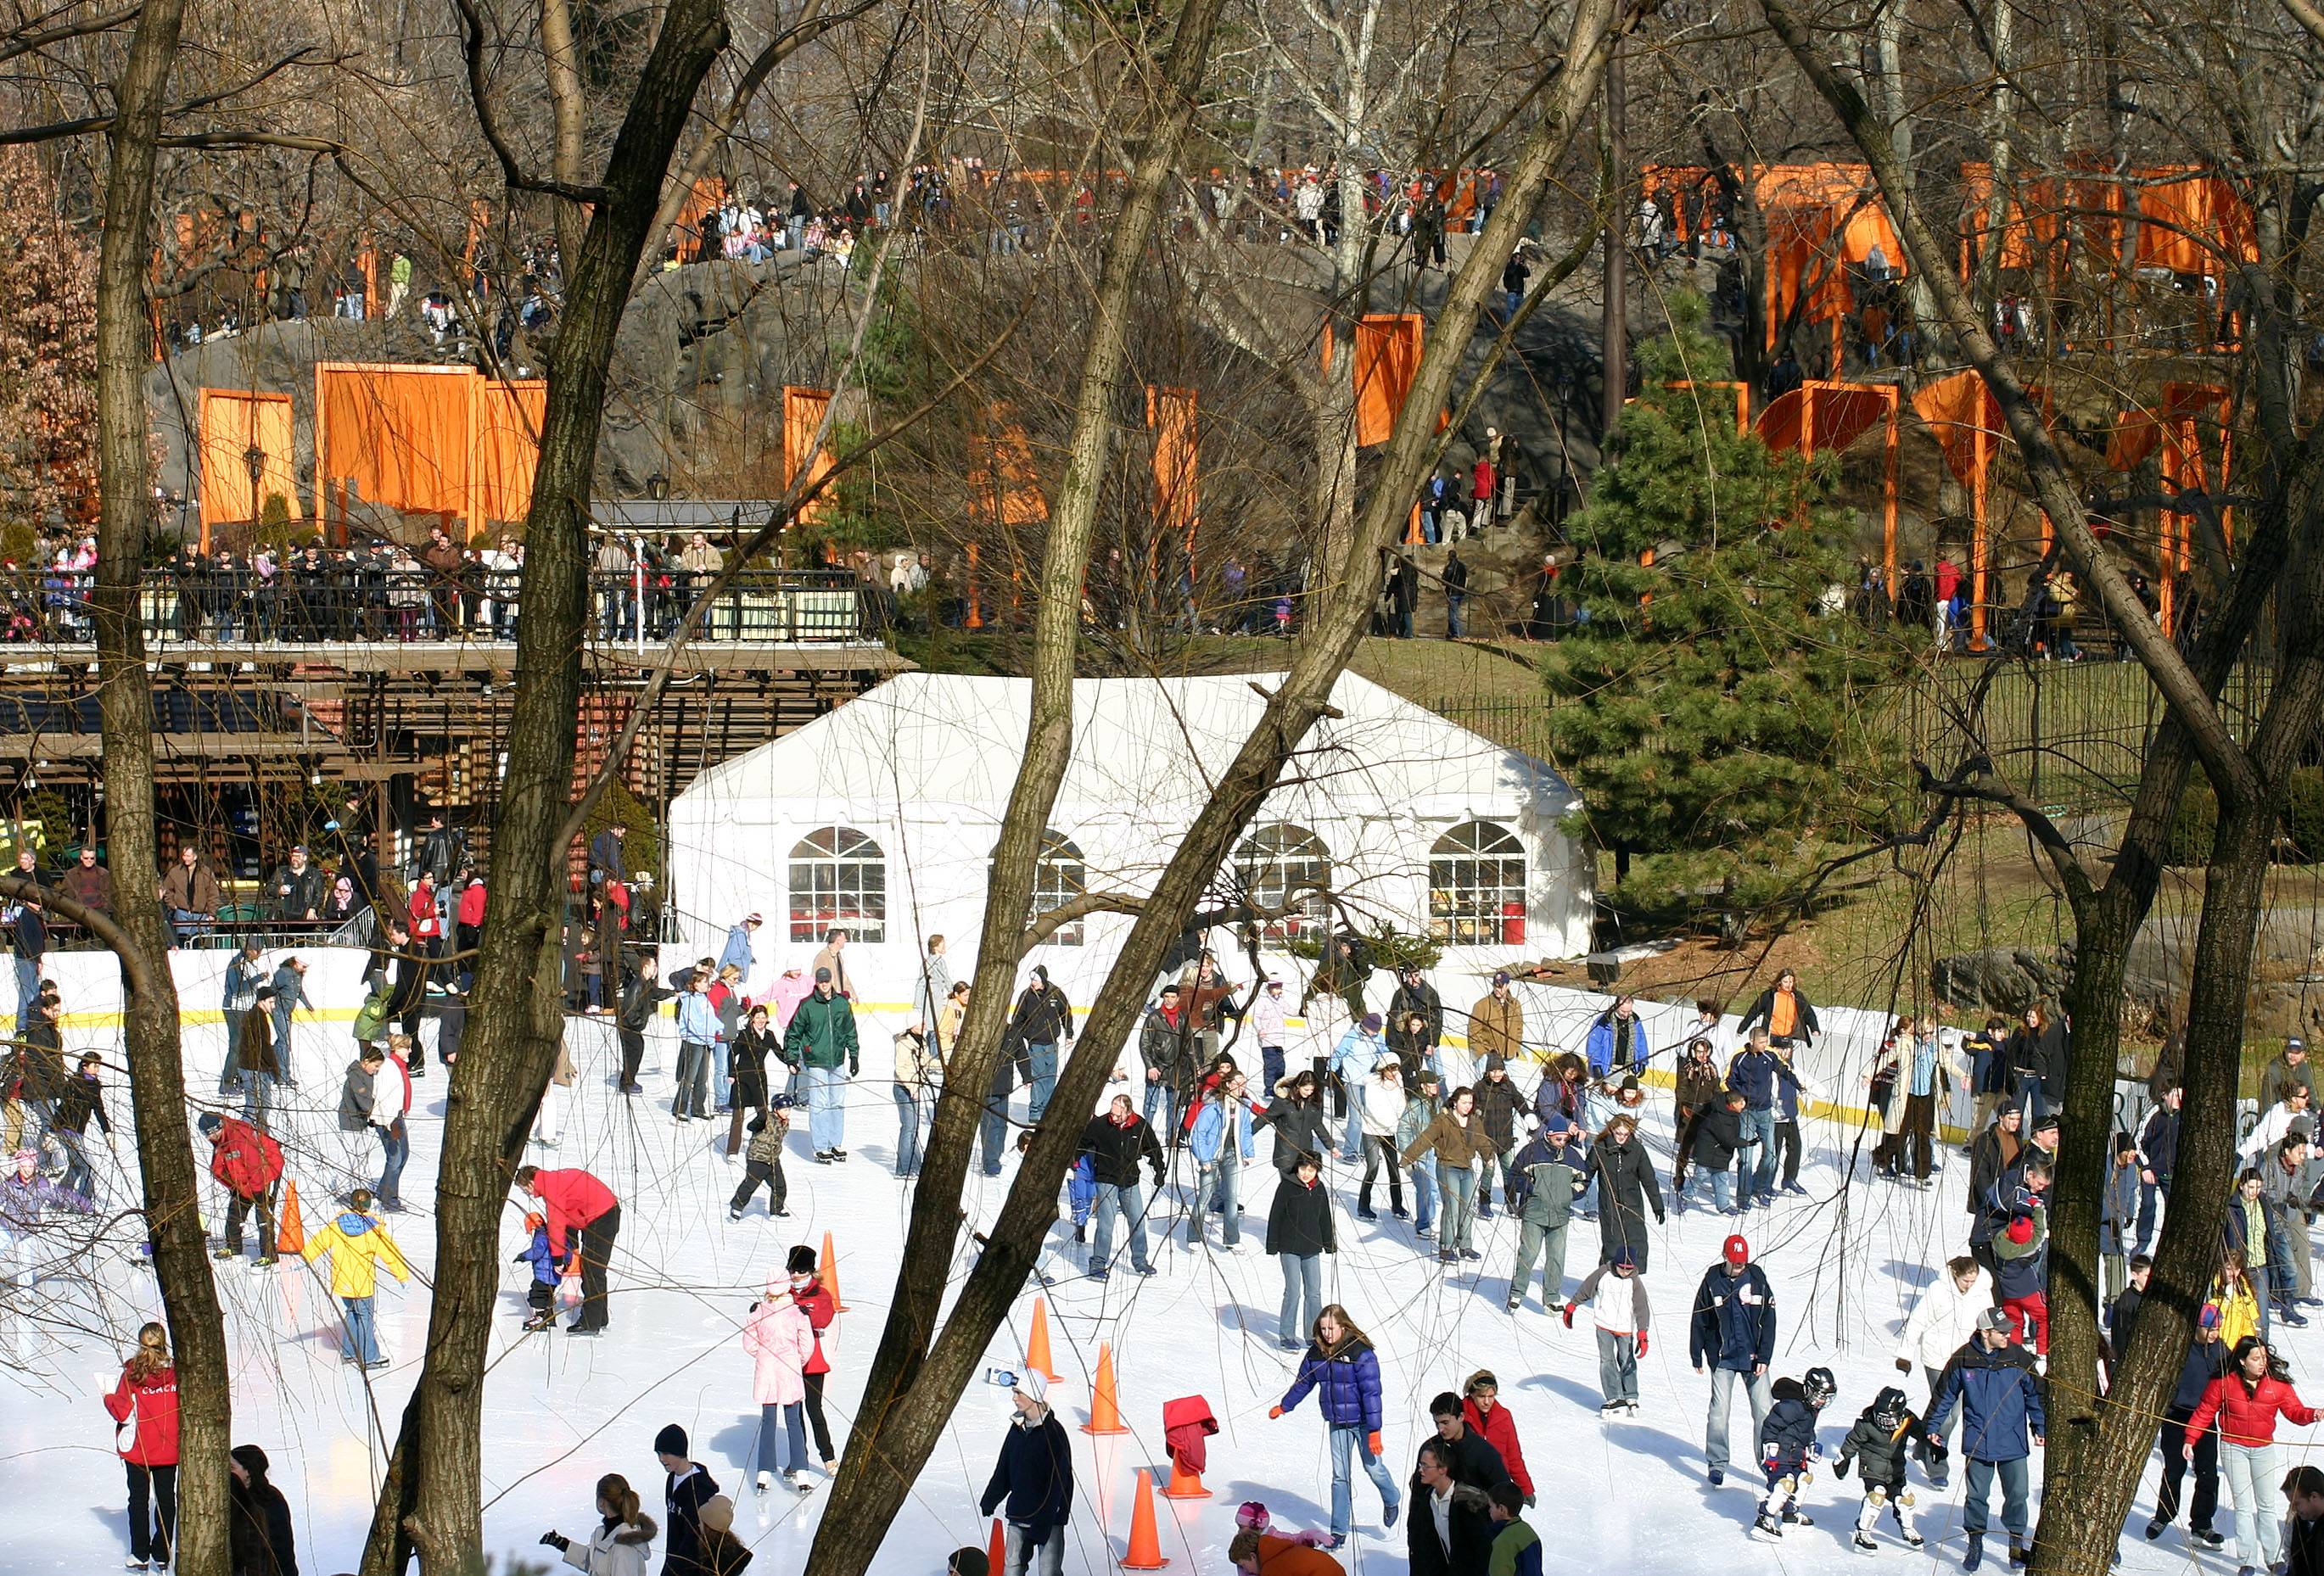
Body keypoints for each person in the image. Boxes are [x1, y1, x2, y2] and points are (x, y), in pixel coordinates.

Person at [1925, 1307, 2046, 1572]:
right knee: (1977, 1496)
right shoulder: (1964, 1358)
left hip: (2012, 1442)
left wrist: (2040, 1426)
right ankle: (1975, 1542)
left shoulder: (2018, 1357)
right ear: (1985, 1332)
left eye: (2009, 1330)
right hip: (1977, 1441)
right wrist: (1932, 1427)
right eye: (2002, 1331)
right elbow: (1944, 1395)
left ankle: (2016, 1543)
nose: (2008, 1335)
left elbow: (2035, 1395)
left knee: (2018, 1494)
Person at [2187, 1335, 2318, 1575]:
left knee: (2267, 1505)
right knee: (2244, 1505)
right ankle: (2247, 1560)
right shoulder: (2224, 1382)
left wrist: (2312, 1414)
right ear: (2242, 1361)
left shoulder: (2276, 1384)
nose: (2261, 1363)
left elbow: (2294, 1411)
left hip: (2263, 1448)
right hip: (2233, 1446)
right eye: (2256, 1358)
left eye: (2264, 1358)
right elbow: (2205, 1410)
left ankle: (2273, 1559)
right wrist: (2190, 1438)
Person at [1271, 1303, 1399, 1546]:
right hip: (1338, 1423)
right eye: (1323, 1328)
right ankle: (1338, 1532)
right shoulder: (1317, 1352)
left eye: (1331, 1328)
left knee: (1373, 1469)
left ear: (1343, 1326)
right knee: (1340, 1477)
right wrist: (1285, 1406)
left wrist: (1374, 1432)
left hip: (1363, 1423)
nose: (1327, 1333)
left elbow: (1372, 1394)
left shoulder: (1360, 1353)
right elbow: (1304, 1383)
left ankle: (1391, 1497)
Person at [1896, 1255, 1991, 1488]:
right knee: (1944, 1413)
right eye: (1966, 1280)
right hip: (1937, 1359)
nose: (1969, 1284)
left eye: (1973, 1280)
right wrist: (1905, 1354)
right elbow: (1917, 1320)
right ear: (1955, 1275)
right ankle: (1937, 1464)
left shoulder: (1982, 1291)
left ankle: (1922, 1444)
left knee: (1954, 1415)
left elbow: (1988, 1325)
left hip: (1966, 1360)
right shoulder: (1938, 1290)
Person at [1692, 1232, 1776, 1487]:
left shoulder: (1757, 1279)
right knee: (1719, 1412)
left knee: (1765, 1412)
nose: (1740, 1265)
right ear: (1725, 1257)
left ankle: (1769, 1464)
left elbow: (1769, 1319)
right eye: (1735, 1261)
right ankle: (1717, 1463)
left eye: (1743, 1261)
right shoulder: (1712, 1281)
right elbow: (1700, 1318)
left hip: (1754, 1359)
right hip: (1723, 1358)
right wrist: (1697, 1353)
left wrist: (1765, 1355)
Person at [301, 1187, 412, 1367]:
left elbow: (317, 1243)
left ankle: (349, 1352)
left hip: (343, 1281)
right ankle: (369, 1356)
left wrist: (304, 1258)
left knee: (352, 1313)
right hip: (362, 1284)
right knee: (365, 1318)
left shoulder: (336, 1225)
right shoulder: (373, 1229)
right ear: (369, 1205)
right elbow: (391, 1254)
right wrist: (402, 1276)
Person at [2149, 1302, 2230, 1547]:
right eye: (2209, 1328)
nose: (2214, 1333)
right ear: (2197, 1327)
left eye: (2217, 1328)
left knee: (2207, 1472)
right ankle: (2164, 1515)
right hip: (2177, 1416)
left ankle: (2202, 1523)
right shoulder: (2181, 1348)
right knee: (2174, 1469)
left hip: (2205, 1418)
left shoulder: (2221, 1351)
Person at [979, 1373, 1072, 1576]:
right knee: (1012, 1569)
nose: (1014, 1398)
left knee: (1049, 1571)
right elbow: (1004, 1469)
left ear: (1034, 1396)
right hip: (1019, 1513)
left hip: (1048, 1519)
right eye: (1014, 1392)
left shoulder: (1054, 1434)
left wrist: (1044, 1521)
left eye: (1018, 1392)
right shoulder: (1017, 1429)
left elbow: (1058, 1485)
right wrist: (990, 1499)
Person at [106, 1322, 180, 1573]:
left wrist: (107, 1397)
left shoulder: (133, 1374)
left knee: (137, 1499)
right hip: (169, 1447)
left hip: (139, 1449)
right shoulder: (177, 1371)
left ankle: (140, 1553)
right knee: (166, 1499)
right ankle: (162, 1551)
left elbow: (123, 1412)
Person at [1401, 1084, 1498, 1265]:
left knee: (1467, 1207)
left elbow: (1482, 1142)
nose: (1468, 1106)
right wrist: (1408, 1158)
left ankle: (1465, 1245)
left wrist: (1489, 1157)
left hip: (1466, 1168)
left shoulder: (1474, 1122)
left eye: (1470, 1102)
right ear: (1455, 1103)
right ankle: (1446, 1248)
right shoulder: (1443, 1120)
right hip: (1447, 1167)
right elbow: (1425, 1139)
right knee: (1452, 1207)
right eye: (1464, 1102)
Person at [741, 1264, 818, 1491]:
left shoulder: (758, 1311)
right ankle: (802, 1473)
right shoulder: (796, 1313)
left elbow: (749, 1343)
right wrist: (797, 1359)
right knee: (794, 1421)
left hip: (767, 1372)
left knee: (768, 1421)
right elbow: (807, 1344)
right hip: (790, 1371)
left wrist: (763, 1355)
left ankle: (763, 1474)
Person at [518, 1165, 621, 1333]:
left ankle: (590, 1322)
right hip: (594, 1214)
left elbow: (557, 1223)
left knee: (592, 1270)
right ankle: (600, 1317)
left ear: (530, 1183)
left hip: (602, 1217)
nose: (527, 1194)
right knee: (592, 1270)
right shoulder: (553, 1179)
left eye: (524, 1190)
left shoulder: (551, 1188)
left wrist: (558, 1258)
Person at [1078, 1093, 1164, 1281]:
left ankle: (1140, 1260)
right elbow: (1081, 1143)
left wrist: (1159, 1170)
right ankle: (1098, 1264)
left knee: (1138, 1221)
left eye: (1118, 1115)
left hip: (1130, 1181)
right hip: (1106, 1179)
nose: (1114, 1118)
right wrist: (1075, 1161)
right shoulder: (1100, 1125)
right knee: (1106, 1224)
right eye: (1112, 1113)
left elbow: (1153, 1148)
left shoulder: (1140, 1125)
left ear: (1128, 1111)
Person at [1507, 1113, 1586, 1311]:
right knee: (1529, 1253)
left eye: (1565, 1139)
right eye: (1558, 1138)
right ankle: (1517, 1294)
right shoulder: (1531, 1152)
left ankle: (1551, 1298)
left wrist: (1569, 1194)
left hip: (1560, 1214)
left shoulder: (1572, 1156)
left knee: (1557, 1257)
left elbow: (1584, 1180)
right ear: (1549, 1135)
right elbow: (1514, 1175)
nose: (1562, 1142)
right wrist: (1532, 1189)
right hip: (1534, 1212)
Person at [1834, 1386, 1924, 1551]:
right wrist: (1843, 1458)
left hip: (1895, 1470)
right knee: (1877, 1496)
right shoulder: (1867, 1423)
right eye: (1881, 1418)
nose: (1884, 1423)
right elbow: (1852, 1441)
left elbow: (1921, 1432)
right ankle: (1862, 1533)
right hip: (1872, 1468)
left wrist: (1933, 1445)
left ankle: (1908, 1528)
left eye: (1889, 1420)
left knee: (1905, 1498)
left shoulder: (1907, 1420)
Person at [1750, 1366, 1836, 1540]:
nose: (1822, 1401)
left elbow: (1806, 1431)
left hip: (1796, 1457)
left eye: (1826, 1398)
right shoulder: (1792, 1406)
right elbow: (1770, 1425)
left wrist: (1812, 1445)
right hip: (1779, 1457)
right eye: (1819, 1396)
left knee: (1804, 1479)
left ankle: (1790, 1514)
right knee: (1785, 1485)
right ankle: (1764, 1519)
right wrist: (1769, 1445)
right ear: (1808, 1390)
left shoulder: (1810, 1409)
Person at [784, 967, 859, 1162]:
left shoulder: (841, 1004)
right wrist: (791, 1057)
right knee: (819, 1103)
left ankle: (835, 1142)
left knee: (837, 1103)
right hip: (816, 1060)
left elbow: (849, 1029)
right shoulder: (807, 1005)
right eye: (821, 981)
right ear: (816, 982)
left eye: (827, 981)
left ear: (831, 981)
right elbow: (794, 1032)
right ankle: (820, 1145)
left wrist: (854, 1055)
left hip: (837, 1060)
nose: (824, 984)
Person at [780, 1243, 843, 1470]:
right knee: (794, 1416)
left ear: (811, 1272)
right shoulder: (783, 1294)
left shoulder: (820, 1294)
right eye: (793, 1271)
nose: (796, 1276)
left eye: (801, 1271)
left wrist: (802, 1317)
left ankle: (828, 1457)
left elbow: (823, 1319)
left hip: (812, 1363)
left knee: (814, 1411)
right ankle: (798, 1459)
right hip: (788, 1362)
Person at [1564, 1246, 1649, 1414]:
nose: (1625, 1272)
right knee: (1606, 1360)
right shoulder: (1603, 1273)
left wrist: (1642, 1333)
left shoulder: (1635, 1282)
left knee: (1626, 1360)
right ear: (1616, 1263)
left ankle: (1630, 1395)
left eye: (1629, 1269)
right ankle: (1614, 1396)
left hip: (1625, 1328)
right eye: (1622, 1268)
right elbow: (1586, 1289)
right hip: (1604, 1324)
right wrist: (1572, 1306)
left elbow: (1642, 1308)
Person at [198, 1109, 283, 1267]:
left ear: (218, 1128)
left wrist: (256, 1192)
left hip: (265, 1172)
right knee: (234, 1213)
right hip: (244, 1180)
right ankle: (233, 1247)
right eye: (206, 1136)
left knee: (263, 1216)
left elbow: (255, 1165)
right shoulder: (221, 1142)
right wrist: (235, 1188)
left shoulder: (240, 1136)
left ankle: (269, 1255)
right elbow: (218, 1169)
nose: (209, 1139)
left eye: (210, 1134)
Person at [1268, 1152, 1336, 1349]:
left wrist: (1328, 1242)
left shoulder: (1319, 1189)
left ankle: (1313, 1335)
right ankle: (1286, 1335)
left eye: (1311, 1170)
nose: (1306, 1173)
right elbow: (1276, 1216)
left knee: (1314, 1292)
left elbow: (1325, 1217)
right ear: (1297, 1167)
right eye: (1303, 1168)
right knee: (1293, 1291)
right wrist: (1272, 1244)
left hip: (1311, 1248)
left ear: (1317, 1171)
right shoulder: (1287, 1187)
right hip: (1289, 1248)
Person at [1188, 1068, 1257, 1249]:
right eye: (1237, 1083)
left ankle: (1232, 1239)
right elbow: (1199, 1133)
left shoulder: (1243, 1107)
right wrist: (1203, 1158)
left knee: (1231, 1197)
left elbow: (1245, 1131)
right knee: (1205, 1196)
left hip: (1231, 1155)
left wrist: (1249, 1152)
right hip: (1211, 1155)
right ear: (1228, 1084)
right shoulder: (1214, 1106)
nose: (1241, 1087)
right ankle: (1194, 1236)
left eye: (1244, 1083)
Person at [1588, 1111, 1664, 1270]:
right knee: (1613, 1245)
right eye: (1618, 1133)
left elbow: (1649, 1179)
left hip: (1632, 1205)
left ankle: (1632, 1281)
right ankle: (1604, 1280)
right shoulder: (1600, 1149)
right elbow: (1586, 1173)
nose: (1621, 1137)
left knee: (1636, 1243)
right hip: (1609, 1206)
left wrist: (1658, 1206)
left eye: (1626, 1134)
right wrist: (1573, 1192)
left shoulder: (1637, 1150)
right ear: (1611, 1130)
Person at [539, 1474, 658, 1576]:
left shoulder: (624, 1545)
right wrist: (562, 1544)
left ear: (601, 1502)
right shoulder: (604, 1533)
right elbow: (596, 1565)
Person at [1408, 1439, 1493, 1576]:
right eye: (1420, 1464)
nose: (1420, 1470)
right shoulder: (1429, 1499)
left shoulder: (1468, 1501)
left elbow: (1484, 1548)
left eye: (1425, 1466)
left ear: (1443, 1469)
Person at [1726, 1029, 1790, 1209]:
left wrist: (1798, 1084)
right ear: (1753, 1041)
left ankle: (1759, 1187)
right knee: (1746, 1157)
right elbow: (1729, 1081)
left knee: (1771, 1154)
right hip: (1747, 1113)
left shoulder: (1769, 1056)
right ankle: (1744, 1197)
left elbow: (1784, 1069)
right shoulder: (1740, 1058)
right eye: (1762, 1042)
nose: (1765, 1045)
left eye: (1766, 1042)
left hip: (1765, 1112)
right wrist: (1741, 1098)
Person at [1002, 965, 1073, 1124]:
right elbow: (1018, 1019)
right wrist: (1014, 1037)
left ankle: (1046, 1109)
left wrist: (1069, 1034)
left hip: (1052, 1044)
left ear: (1043, 979)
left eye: (1035, 979)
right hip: (1035, 1044)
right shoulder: (1027, 996)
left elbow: (1066, 1013)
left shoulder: (1055, 993)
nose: (1033, 982)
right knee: (1038, 1078)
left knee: (1050, 1078)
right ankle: (1035, 1110)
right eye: (1032, 979)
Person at [654, 1423, 720, 1576]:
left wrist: (675, 1570)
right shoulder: (671, 1479)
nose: (661, 1459)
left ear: (679, 1452)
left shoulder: (699, 1489)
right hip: (673, 1559)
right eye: (658, 1454)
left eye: (665, 1453)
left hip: (690, 1568)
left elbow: (695, 1538)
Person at [1461, 1372, 1533, 1506]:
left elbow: (1513, 1456)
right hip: (1470, 1489)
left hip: (1499, 1487)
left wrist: (1525, 1488)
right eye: (1482, 1396)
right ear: (1472, 1394)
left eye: (1491, 1396)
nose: (1487, 1402)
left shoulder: (1503, 1417)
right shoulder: (1461, 1416)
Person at [1329, 1013, 1392, 1162]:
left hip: (1371, 1082)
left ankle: (1367, 1150)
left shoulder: (1379, 1038)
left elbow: (1385, 1054)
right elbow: (1338, 1054)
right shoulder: (1352, 1036)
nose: (1375, 1033)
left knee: (1369, 1117)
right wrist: (1331, 1070)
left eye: (1377, 1031)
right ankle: (1350, 1151)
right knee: (1356, 1118)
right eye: (1373, 1030)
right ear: (1365, 1026)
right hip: (1353, 1081)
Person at [228, 1443, 298, 1576]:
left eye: (232, 1468)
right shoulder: (233, 1498)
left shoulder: (269, 1501)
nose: (227, 1473)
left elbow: (280, 1548)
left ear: (248, 1471)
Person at [51, 1051, 109, 1200]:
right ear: (84, 1066)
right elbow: (64, 1106)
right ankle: (83, 1202)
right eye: (95, 1066)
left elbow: (98, 1109)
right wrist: (52, 1131)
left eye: (99, 1066)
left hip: (78, 1132)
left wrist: (107, 1131)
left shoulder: (95, 1085)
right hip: (66, 1130)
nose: (97, 1069)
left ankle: (61, 1197)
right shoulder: (74, 1082)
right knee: (89, 1167)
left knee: (76, 1167)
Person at [1472, 1058, 1526, 1218]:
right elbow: (1472, 1107)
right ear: (1487, 1072)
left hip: (1505, 1138)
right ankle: (1484, 1203)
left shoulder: (1508, 1087)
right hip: (1486, 1139)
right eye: (1493, 1071)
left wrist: (1528, 1115)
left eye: (1500, 1071)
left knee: (1509, 1171)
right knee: (1489, 1170)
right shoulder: (1480, 1088)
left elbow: (1520, 1102)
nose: (1497, 1075)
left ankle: (1511, 1203)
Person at [1258, 1068, 1333, 1177]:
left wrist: (1331, 1145)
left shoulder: (1313, 1102)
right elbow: (1265, 1118)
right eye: (1306, 1089)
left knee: (1303, 1187)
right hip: (1286, 1153)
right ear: (1298, 1086)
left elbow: (1317, 1124)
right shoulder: (1283, 1101)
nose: (1309, 1093)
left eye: (1311, 1090)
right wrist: (1246, 1134)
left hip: (1305, 1153)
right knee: (1288, 1187)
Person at [673, 967, 721, 1125]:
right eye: (704, 982)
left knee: (702, 1077)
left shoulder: (704, 999)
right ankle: (679, 1109)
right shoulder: (689, 1000)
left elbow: (711, 1019)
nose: (708, 984)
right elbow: (692, 1023)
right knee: (689, 1077)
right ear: (695, 984)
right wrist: (706, 1037)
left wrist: (720, 1027)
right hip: (694, 1042)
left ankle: (698, 1108)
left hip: (706, 1042)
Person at [2004, 1003, 2066, 1124]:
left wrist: (2045, 1075)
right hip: (2021, 1075)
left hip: (2037, 1077)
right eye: (2028, 1016)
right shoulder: (2021, 1031)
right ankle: (2017, 1136)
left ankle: (2037, 1134)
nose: (2030, 1020)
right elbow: (2012, 1054)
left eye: (2033, 1017)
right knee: (2017, 1109)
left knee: (2038, 1111)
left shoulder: (2046, 1033)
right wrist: (2011, 1077)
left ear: (2040, 1017)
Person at [1738, 969, 1819, 1048]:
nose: (1788, 985)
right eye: (1785, 982)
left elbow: (1809, 1013)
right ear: (1779, 982)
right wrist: (1742, 1028)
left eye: (1791, 982)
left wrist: (1814, 1028)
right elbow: (1753, 1012)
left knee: (1786, 1062)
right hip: (1771, 1036)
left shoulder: (1797, 997)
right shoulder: (1769, 996)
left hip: (1788, 1037)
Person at [1228, 1525, 1345, 1576]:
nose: (1245, 1570)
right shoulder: (1281, 1549)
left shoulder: (1272, 1568)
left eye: (1243, 1564)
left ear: (1252, 1557)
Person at [1585, 996, 1649, 1077]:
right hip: (1609, 1067)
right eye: (1623, 1011)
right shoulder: (1604, 1022)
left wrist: (1643, 1062)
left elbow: (1641, 1043)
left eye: (1629, 1011)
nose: (1626, 1015)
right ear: (1616, 1006)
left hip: (1629, 1067)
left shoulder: (1635, 1022)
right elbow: (1594, 1044)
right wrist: (1596, 1065)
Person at [1249, 975, 1291, 1090]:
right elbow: (1256, 1018)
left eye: (1280, 988)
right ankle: (1269, 1089)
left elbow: (1290, 1010)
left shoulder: (1280, 1001)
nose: (1279, 991)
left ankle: (1279, 1087)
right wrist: (1260, 1029)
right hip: (1267, 1040)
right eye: (1277, 988)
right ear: (1270, 988)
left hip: (1279, 1040)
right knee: (1271, 1066)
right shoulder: (1263, 1001)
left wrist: (1302, 1011)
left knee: (1280, 1066)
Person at [694, 1496, 751, 1576]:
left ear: (709, 1527)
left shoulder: (711, 1562)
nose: (699, 1525)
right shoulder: (734, 1552)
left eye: (701, 1522)